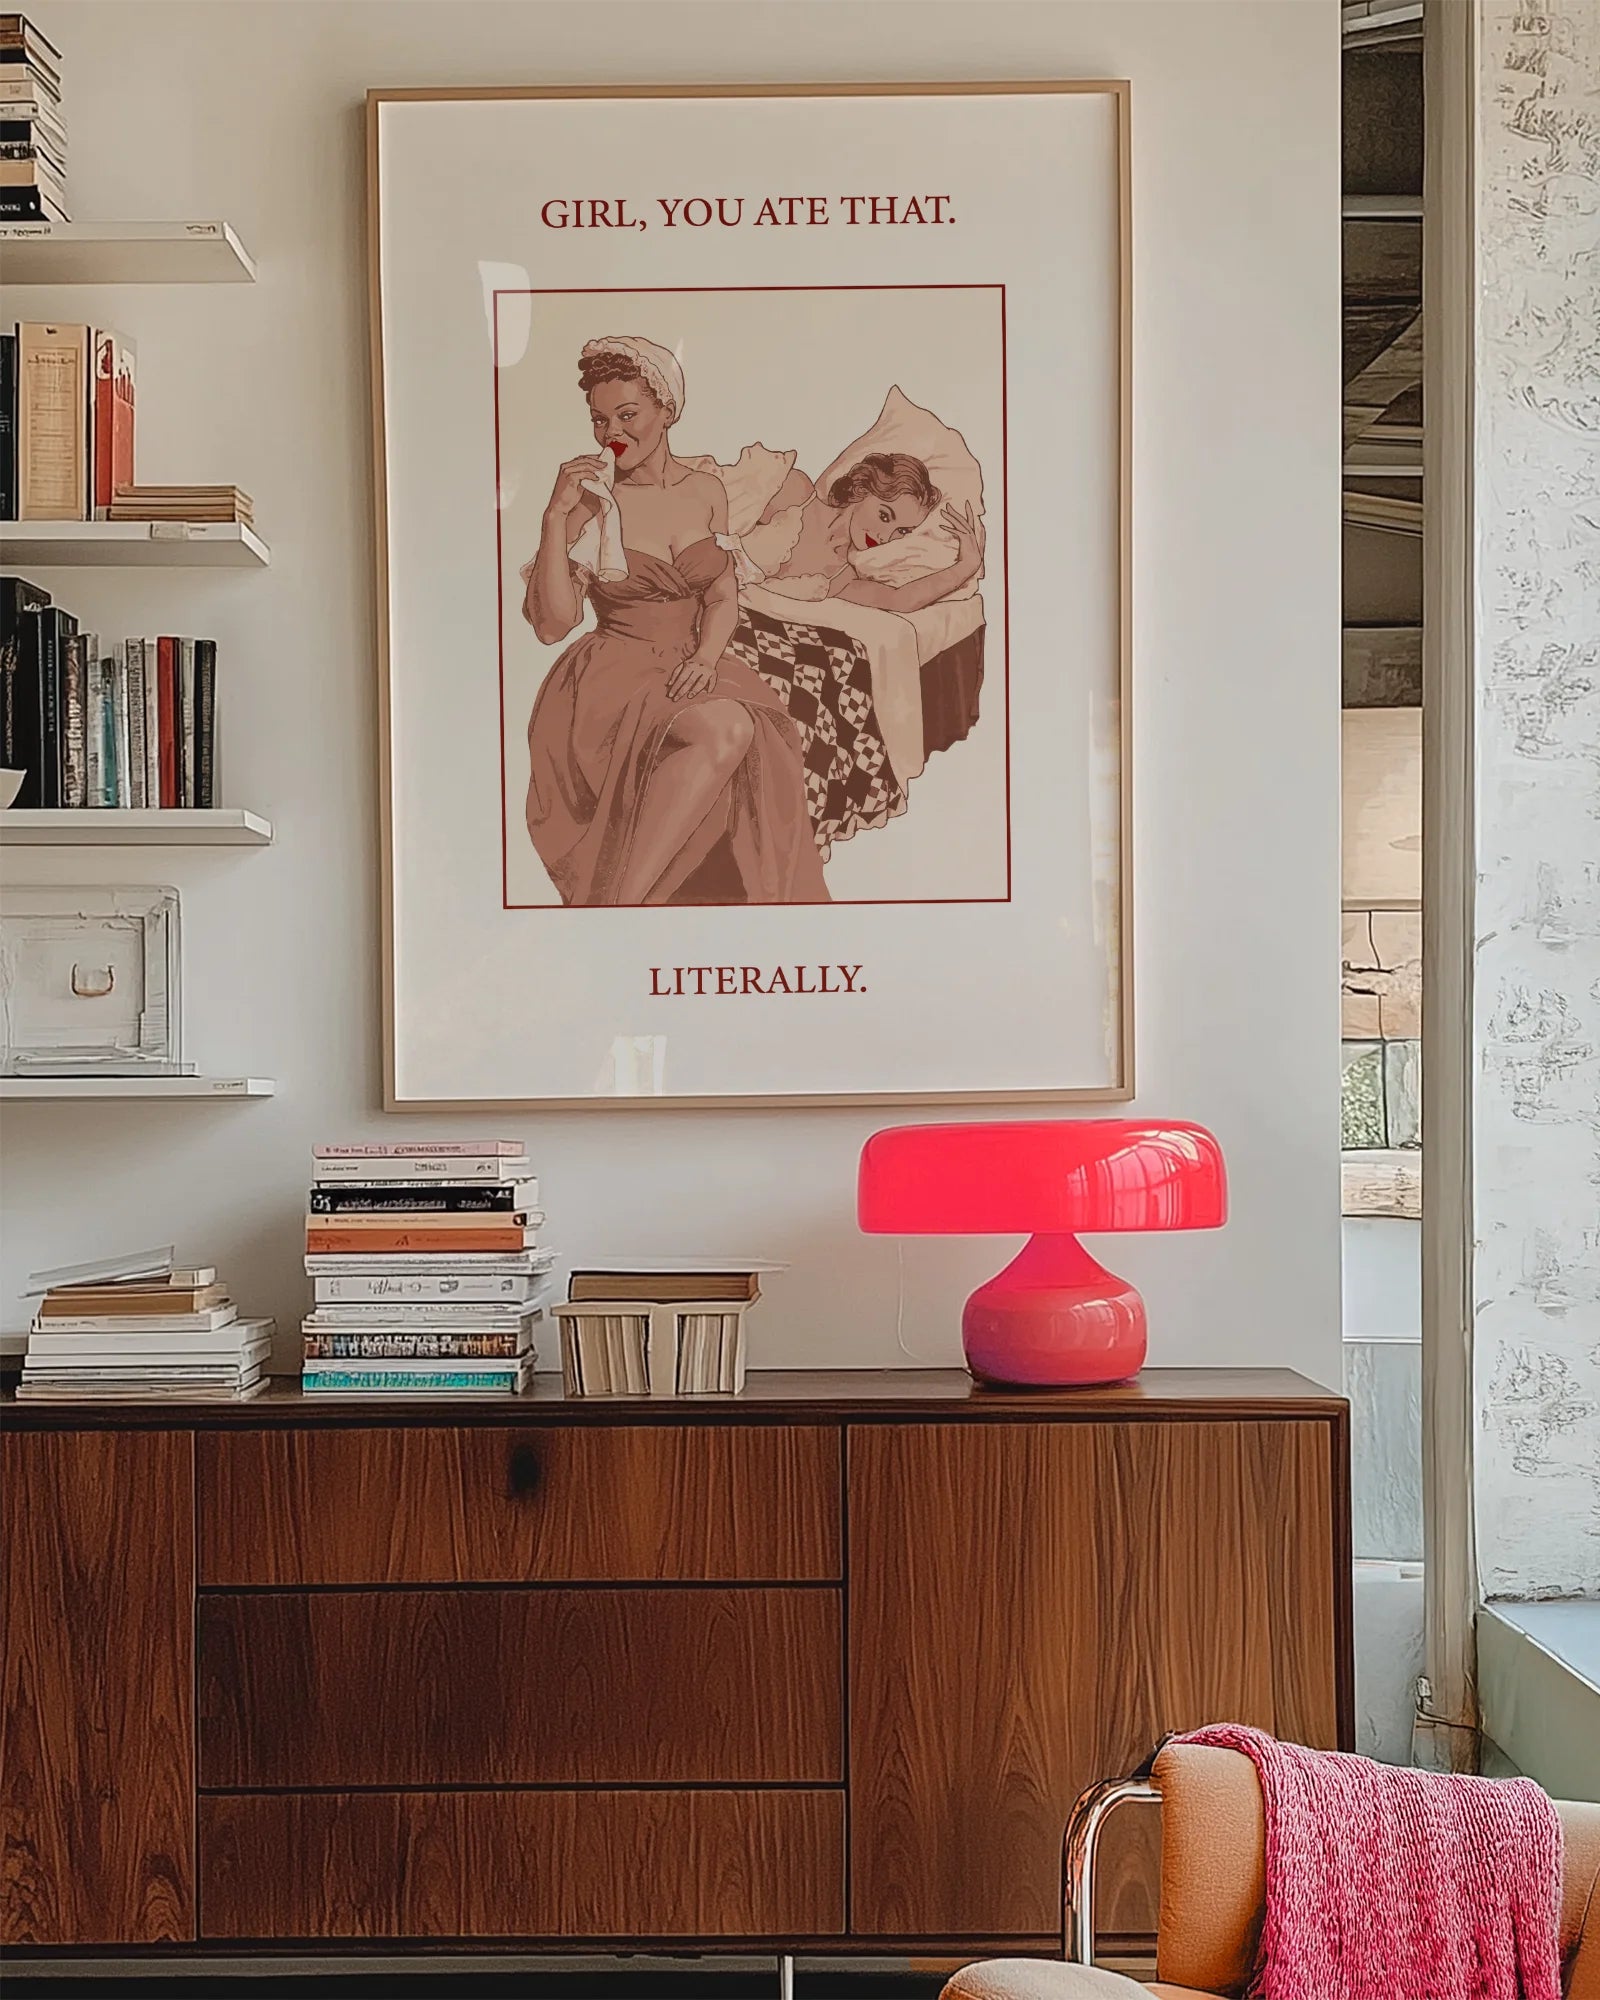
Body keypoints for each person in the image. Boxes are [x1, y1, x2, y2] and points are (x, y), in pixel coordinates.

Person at [521, 336, 828, 907]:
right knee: (729, 727)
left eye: (628, 414)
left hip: (690, 663)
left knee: (761, 733)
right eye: (600, 419)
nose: (612, 432)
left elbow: (721, 595)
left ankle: (624, 903)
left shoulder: (706, 491)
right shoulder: (592, 501)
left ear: (666, 410)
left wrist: (707, 658)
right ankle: (621, 903)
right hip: (610, 678)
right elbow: (551, 626)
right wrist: (555, 517)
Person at [752, 451, 984, 610]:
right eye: (884, 516)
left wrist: (967, 565)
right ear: (862, 489)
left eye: (902, 531)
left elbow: (899, 600)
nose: (885, 537)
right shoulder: (795, 491)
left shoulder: (842, 575)